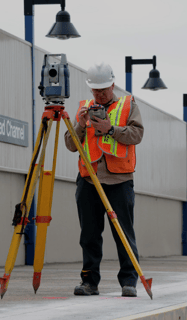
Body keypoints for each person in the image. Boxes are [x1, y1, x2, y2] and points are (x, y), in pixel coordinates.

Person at [64, 62, 144, 297]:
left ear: (113, 85)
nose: (99, 95)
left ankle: (129, 281)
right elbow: (70, 144)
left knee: (123, 234)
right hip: (89, 180)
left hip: (119, 180)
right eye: (95, 91)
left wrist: (111, 129)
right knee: (88, 235)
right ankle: (89, 282)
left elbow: (137, 135)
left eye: (103, 90)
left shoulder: (128, 105)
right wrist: (80, 124)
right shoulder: (85, 108)